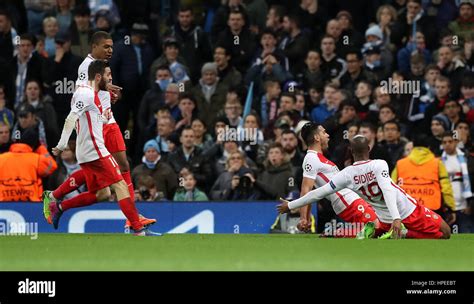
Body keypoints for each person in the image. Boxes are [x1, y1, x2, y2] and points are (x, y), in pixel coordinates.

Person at [42, 31, 156, 229]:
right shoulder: (86, 67)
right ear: (93, 47)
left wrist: (108, 93)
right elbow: (83, 96)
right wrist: (63, 143)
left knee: (105, 188)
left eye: (112, 47)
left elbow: (96, 90)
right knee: (118, 171)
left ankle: (57, 202)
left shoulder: (100, 66)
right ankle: (133, 219)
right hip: (100, 127)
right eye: (106, 47)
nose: (110, 50)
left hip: (106, 121)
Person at [279, 135, 452, 239]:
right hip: (408, 210)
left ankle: (389, 232)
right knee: (445, 232)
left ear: (351, 152)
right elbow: (388, 189)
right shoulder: (379, 164)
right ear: (369, 148)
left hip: (384, 219)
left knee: (436, 234)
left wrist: (291, 205)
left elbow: (318, 193)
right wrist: (397, 218)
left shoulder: (346, 174)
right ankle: (404, 233)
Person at [297, 123, 378, 237]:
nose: (328, 135)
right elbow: (306, 189)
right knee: (377, 227)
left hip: (348, 200)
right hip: (346, 201)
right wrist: (303, 218)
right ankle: (335, 234)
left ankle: (336, 233)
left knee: (372, 228)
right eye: (324, 132)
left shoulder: (319, 158)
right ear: (317, 137)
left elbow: (310, 192)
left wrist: (306, 217)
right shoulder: (311, 158)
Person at [391, 134, 456, 223]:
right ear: (429, 147)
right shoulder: (437, 163)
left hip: (407, 210)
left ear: (413, 146)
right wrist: (451, 208)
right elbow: (446, 188)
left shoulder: (400, 164)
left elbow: (392, 188)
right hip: (432, 209)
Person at [0, 127, 57, 201]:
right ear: (34, 145)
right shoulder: (37, 159)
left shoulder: (2, 158)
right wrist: (41, 148)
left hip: (4, 203)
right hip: (31, 203)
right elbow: (52, 165)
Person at [440, 131, 474, 233]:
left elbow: (472, 181)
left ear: (456, 142)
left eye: (450, 141)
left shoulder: (468, 158)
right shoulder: (438, 161)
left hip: (464, 206)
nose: (447, 144)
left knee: (467, 236)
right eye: (444, 142)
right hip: (446, 207)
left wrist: (471, 205)